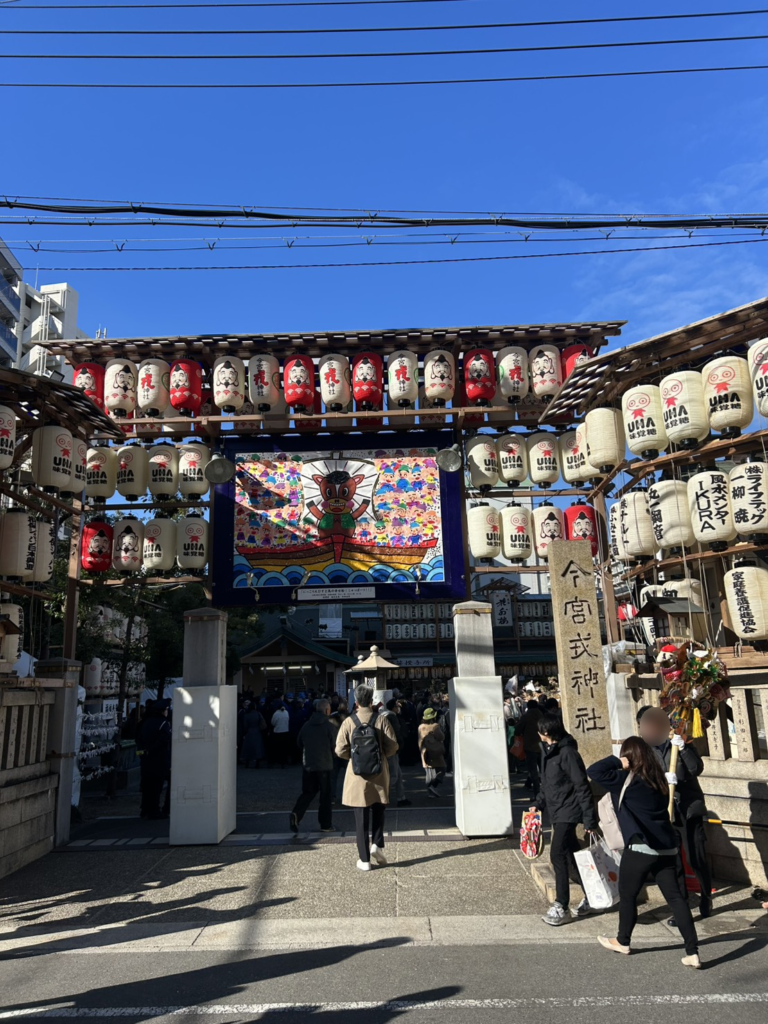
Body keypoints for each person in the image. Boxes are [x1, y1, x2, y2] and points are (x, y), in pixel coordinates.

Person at [588, 737, 701, 968]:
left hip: (641, 846)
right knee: (676, 898)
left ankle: (623, 941)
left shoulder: (626, 780)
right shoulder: (659, 779)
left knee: (628, 894)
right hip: (667, 847)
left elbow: (594, 771)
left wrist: (618, 762)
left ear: (628, 756)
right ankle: (692, 951)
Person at [637, 706, 712, 918]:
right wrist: (661, 780)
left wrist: (684, 748)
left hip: (688, 809)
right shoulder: (645, 749)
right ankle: (682, 907)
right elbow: (642, 777)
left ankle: (706, 896)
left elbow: (696, 769)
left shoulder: (679, 741)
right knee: (674, 861)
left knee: (696, 857)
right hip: (665, 812)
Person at [532, 713, 598, 926]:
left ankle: (562, 905)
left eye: (540, 730)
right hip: (556, 810)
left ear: (546, 732)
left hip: (568, 811)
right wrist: (538, 803)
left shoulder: (568, 753)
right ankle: (592, 895)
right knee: (571, 857)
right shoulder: (548, 752)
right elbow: (546, 784)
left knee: (557, 854)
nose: (538, 734)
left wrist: (589, 819)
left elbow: (582, 786)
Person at [335, 683, 398, 871]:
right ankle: (377, 844)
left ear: (356, 702)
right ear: (371, 701)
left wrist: (354, 758)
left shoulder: (348, 722)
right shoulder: (381, 720)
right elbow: (393, 746)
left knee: (361, 817)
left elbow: (339, 749)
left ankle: (364, 860)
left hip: (357, 775)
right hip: (378, 773)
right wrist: (381, 755)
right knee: (379, 810)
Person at [290, 699, 337, 834]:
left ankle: (296, 813)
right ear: (327, 710)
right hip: (325, 765)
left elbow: (299, 742)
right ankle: (325, 824)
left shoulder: (306, 725)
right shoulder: (329, 726)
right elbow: (335, 745)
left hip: (309, 765)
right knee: (325, 796)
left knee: (308, 792)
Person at [136, 699, 172, 820]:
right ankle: (155, 810)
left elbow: (139, 739)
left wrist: (144, 753)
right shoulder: (164, 724)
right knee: (157, 785)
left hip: (146, 759)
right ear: (162, 711)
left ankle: (145, 809)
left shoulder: (145, 722)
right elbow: (163, 740)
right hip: (159, 758)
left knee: (147, 784)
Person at [382, 699, 410, 806]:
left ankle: (401, 797)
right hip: (392, 749)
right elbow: (396, 733)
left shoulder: (383, 715)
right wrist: (400, 745)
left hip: (387, 748)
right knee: (394, 775)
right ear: (393, 708)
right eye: (397, 706)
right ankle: (382, 798)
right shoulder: (392, 717)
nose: (399, 708)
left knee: (398, 774)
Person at [418, 706, 447, 798]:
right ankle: (433, 786)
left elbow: (420, 740)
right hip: (436, 751)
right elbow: (442, 737)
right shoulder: (435, 727)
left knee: (429, 772)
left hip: (425, 751)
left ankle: (430, 792)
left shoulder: (420, 727)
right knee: (442, 769)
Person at [518, 699, 544, 792]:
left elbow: (518, 730)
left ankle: (537, 792)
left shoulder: (526, 717)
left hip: (530, 746)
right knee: (543, 770)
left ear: (528, 707)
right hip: (542, 746)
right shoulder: (542, 715)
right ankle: (545, 790)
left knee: (533, 771)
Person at [240, 701, 267, 769]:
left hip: (249, 732)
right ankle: (257, 764)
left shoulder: (246, 715)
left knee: (248, 748)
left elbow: (245, 725)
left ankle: (247, 763)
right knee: (257, 748)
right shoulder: (258, 714)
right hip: (257, 731)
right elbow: (262, 722)